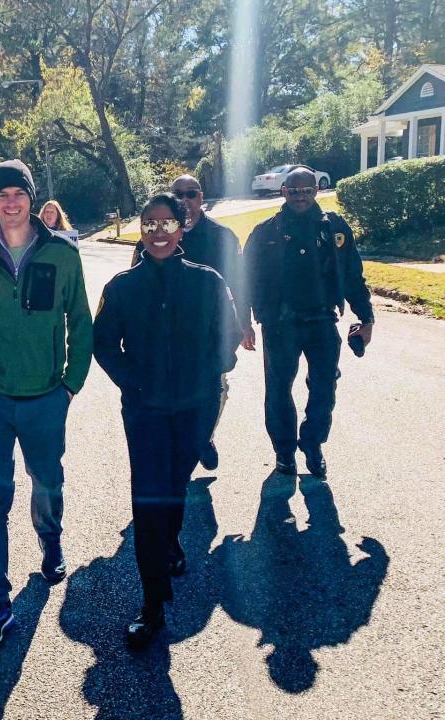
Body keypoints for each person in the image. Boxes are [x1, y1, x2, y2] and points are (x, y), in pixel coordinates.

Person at [0, 159, 93, 647]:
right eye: (2, 195)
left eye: (19, 194)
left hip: (45, 396)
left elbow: (81, 320)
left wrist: (69, 385)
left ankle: (50, 538)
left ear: (32, 199)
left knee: (46, 481)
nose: (10, 203)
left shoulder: (61, 255)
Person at [93, 193, 241, 649]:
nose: (158, 231)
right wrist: (133, 385)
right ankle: (152, 603)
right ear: (142, 230)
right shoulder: (122, 286)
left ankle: (171, 544)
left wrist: (204, 374)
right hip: (146, 412)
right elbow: (103, 345)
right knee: (148, 501)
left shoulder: (207, 281)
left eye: (167, 223)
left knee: (176, 488)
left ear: (182, 228)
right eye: (150, 223)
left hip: (194, 406)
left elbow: (229, 338)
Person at [240, 166, 374, 478]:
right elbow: (246, 278)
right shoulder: (264, 233)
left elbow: (353, 274)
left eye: (306, 190)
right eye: (294, 191)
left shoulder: (335, 229)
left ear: (315, 191)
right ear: (283, 192)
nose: (300, 196)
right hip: (279, 323)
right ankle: (284, 452)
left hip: (322, 321)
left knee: (324, 387)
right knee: (278, 391)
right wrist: (243, 322)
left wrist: (366, 316)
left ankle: (312, 443)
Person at [131, 174, 244, 471]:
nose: (185, 200)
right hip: (162, 334)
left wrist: (243, 324)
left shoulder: (222, 237)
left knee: (217, 389)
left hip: (207, 335)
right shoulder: (156, 234)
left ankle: (203, 435)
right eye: (178, 193)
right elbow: (135, 283)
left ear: (201, 197)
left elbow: (238, 284)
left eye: (191, 193)